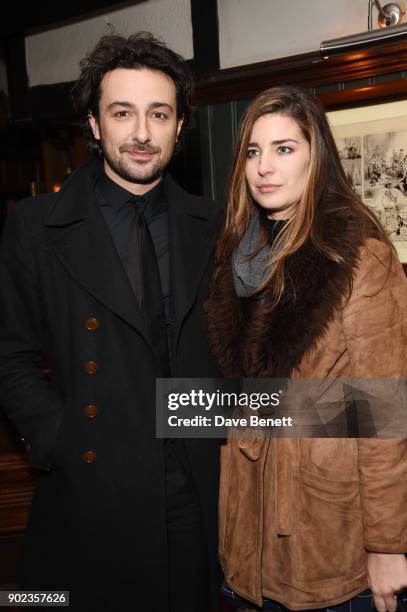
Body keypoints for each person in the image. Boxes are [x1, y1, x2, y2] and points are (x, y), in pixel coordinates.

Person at [0, 33, 222, 612]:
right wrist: (60, 439)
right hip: (90, 486)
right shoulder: (36, 225)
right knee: (46, 602)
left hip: (193, 486)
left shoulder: (216, 223)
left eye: (159, 114)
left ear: (180, 126)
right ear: (95, 125)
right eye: (122, 113)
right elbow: (9, 355)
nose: (142, 133)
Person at [205, 86, 407, 612]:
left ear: (316, 156)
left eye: (284, 149)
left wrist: (387, 546)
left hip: (326, 533)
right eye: (253, 151)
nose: (264, 167)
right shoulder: (239, 255)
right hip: (246, 532)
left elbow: (385, 412)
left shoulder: (359, 257)